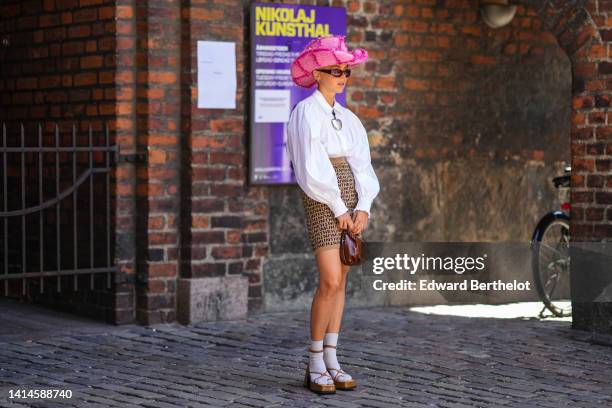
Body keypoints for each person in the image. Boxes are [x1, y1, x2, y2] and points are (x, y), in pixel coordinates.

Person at [287, 34, 380, 394]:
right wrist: (339, 207)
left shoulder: (348, 117)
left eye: (346, 71)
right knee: (329, 279)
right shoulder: (305, 113)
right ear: (317, 73)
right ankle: (313, 362)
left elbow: (363, 166)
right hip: (322, 198)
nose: (342, 76)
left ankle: (332, 358)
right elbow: (310, 170)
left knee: (342, 280)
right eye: (335, 70)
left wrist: (363, 208)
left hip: (351, 198)